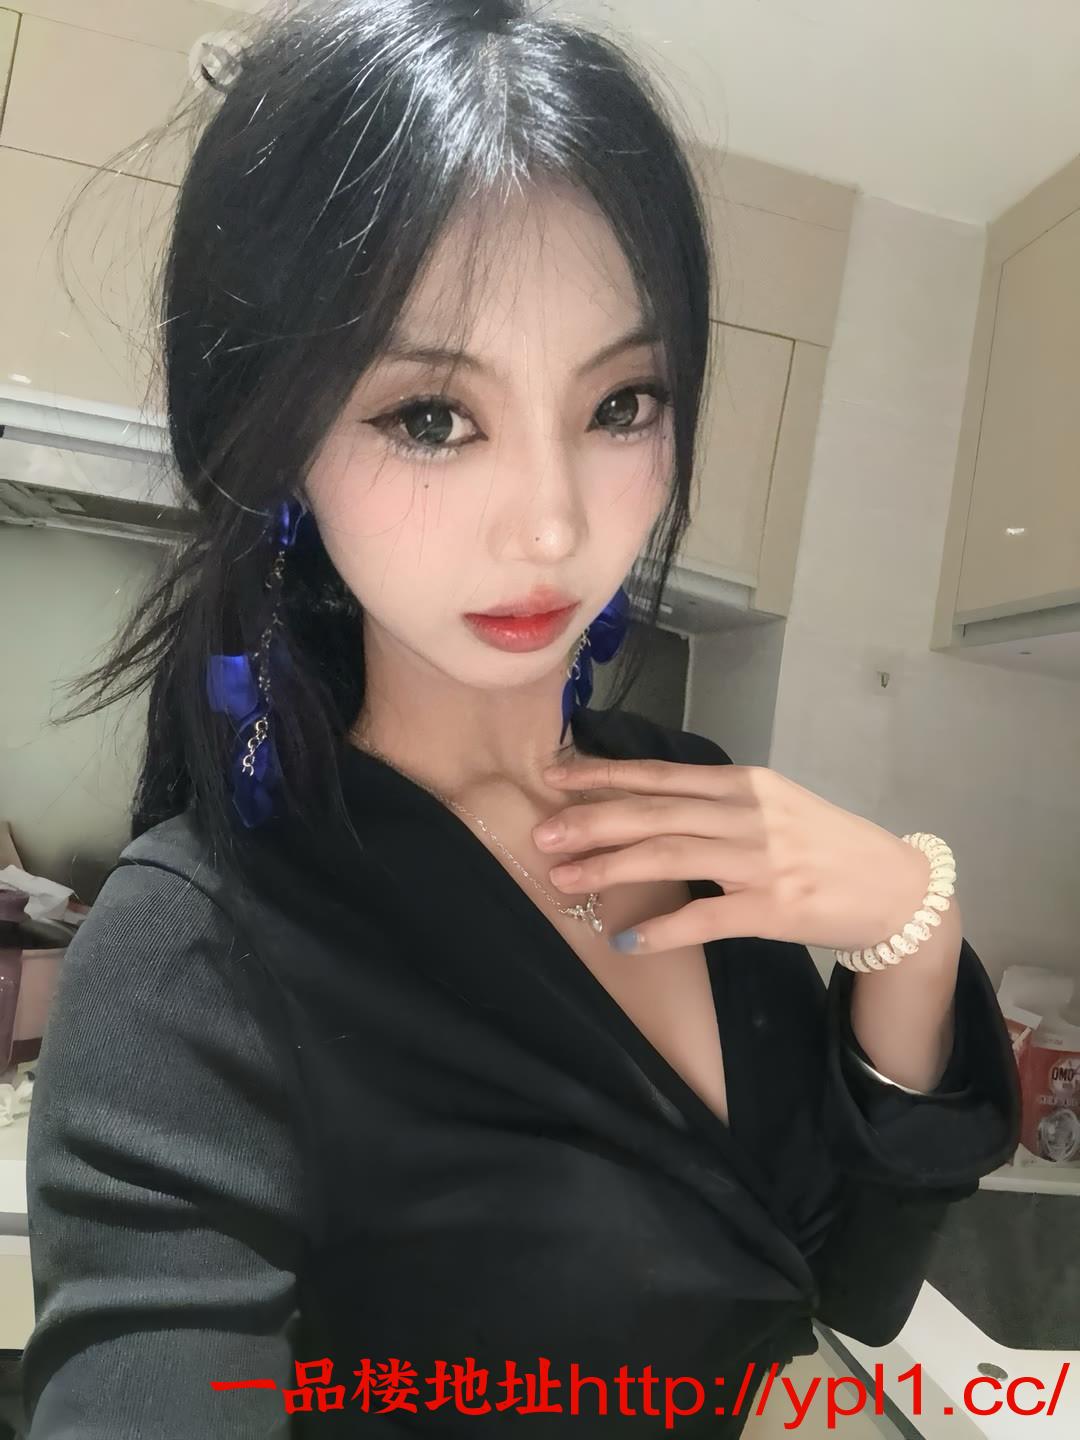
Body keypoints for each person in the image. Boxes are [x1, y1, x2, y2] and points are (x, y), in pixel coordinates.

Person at [21, 0, 1019, 1435]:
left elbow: (848, 1285)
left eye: (621, 404)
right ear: (279, 441)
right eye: (432, 415)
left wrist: (911, 929)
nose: (552, 524)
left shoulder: (692, 804)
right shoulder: (201, 947)